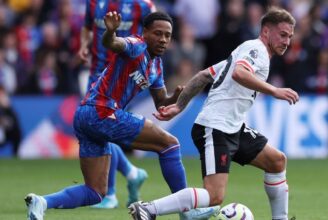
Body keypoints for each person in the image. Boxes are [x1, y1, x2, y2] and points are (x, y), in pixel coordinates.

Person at [25, 11, 219, 220]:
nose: (163, 39)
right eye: (158, 33)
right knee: (169, 144)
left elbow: (161, 102)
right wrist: (110, 31)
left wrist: (179, 97)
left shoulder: (156, 66)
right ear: (145, 32)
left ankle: (41, 202)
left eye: (167, 35)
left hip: (88, 116)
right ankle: (187, 210)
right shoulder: (136, 45)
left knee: (96, 192)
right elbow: (113, 43)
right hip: (101, 111)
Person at [130, 7, 299, 220]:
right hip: (216, 127)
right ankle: (149, 209)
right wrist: (274, 90)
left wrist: (179, 106)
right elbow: (239, 73)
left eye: (290, 36)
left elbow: (204, 75)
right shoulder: (256, 49)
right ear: (266, 31)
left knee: (276, 161)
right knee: (214, 195)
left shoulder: (245, 51)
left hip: (233, 127)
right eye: (282, 34)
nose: (287, 41)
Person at [76, 0, 156, 209]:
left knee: (105, 126)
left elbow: (156, 29)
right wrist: (84, 44)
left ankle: (110, 192)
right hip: (96, 72)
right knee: (98, 126)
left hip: (122, 74)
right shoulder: (93, 3)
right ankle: (131, 172)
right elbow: (87, 27)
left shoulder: (144, 5)